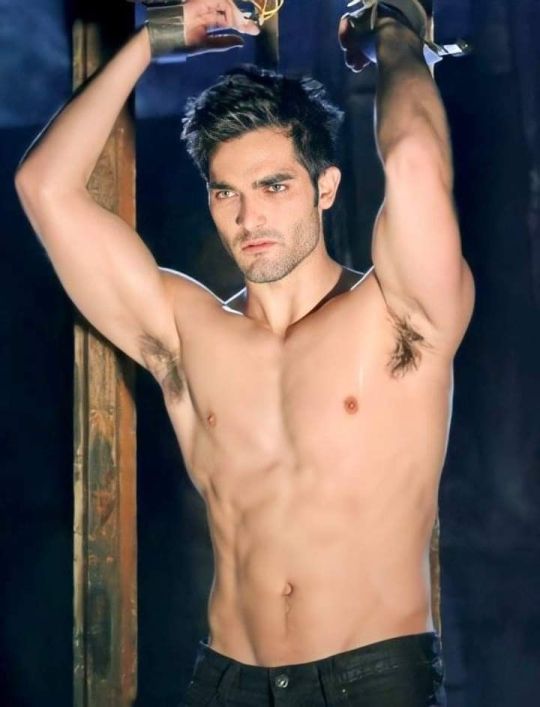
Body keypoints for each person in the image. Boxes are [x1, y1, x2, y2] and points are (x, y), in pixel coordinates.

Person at [15, 0, 475, 704]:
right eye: (225, 192)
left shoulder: (397, 315)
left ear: (325, 188)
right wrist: (154, 39)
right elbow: (43, 187)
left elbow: (413, 157)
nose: (249, 217)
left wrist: (393, 28)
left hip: (374, 679)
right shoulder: (187, 333)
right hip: (228, 679)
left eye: (274, 186)